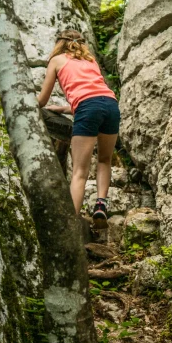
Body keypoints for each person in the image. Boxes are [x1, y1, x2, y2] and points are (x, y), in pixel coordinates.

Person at [37, 29, 120, 227]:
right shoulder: (91, 60)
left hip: (87, 108)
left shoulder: (56, 60)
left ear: (59, 43)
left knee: (79, 171)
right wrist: (66, 108)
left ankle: (72, 222)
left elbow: (42, 100)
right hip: (110, 105)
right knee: (104, 159)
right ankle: (100, 205)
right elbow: (95, 95)